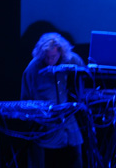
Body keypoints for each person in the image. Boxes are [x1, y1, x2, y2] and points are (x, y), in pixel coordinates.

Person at [21, 32, 85, 168]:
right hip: (47, 127)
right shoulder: (32, 69)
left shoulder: (71, 60)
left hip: (68, 125)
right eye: (47, 57)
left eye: (54, 57)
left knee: (76, 159)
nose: (50, 60)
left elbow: (84, 75)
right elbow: (25, 100)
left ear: (61, 53)